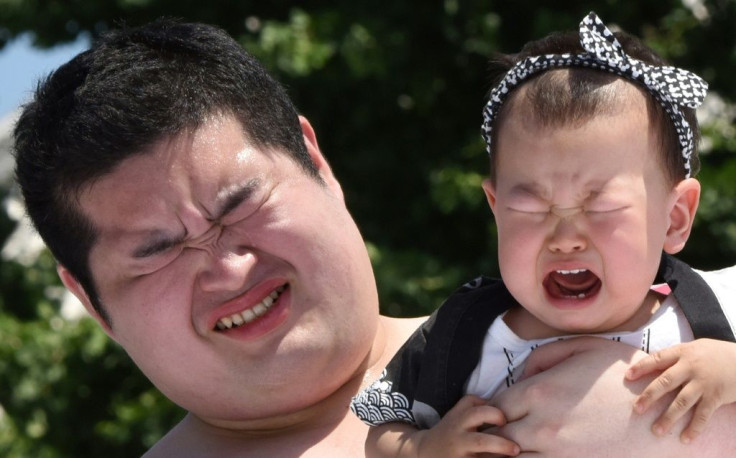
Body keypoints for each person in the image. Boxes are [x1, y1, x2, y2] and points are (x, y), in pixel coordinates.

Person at [13, 16, 736, 458]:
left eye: (238, 204)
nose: (227, 265)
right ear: (88, 295)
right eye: (159, 250)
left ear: (316, 163)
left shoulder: (711, 318)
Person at [351, 12, 736, 457]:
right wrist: (421, 448)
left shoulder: (712, 317)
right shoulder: (464, 333)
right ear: (496, 209)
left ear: (674, 218)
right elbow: (380, 428)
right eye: (531, 207)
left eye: (602, 206)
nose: (566, 236)